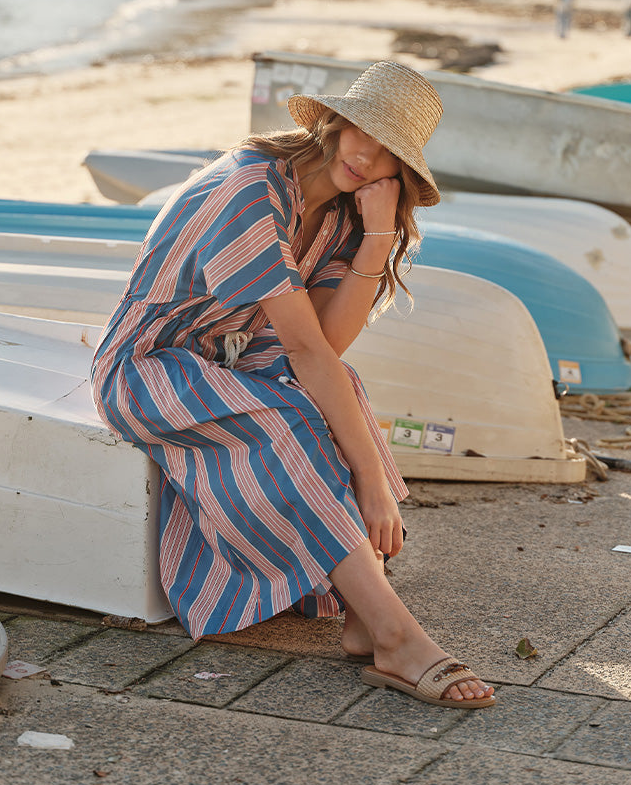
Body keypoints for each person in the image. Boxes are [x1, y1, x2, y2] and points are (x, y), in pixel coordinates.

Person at [91, 61, 496, 709]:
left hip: (230, 363)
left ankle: (366, 618)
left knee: (340, 386)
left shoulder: (339, 216)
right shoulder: (251, 189)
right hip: (148, 367)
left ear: (401, 173)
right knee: (292, 416)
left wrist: (378, 237)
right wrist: (370, 481)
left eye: (390, 152)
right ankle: (395, 634)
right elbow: (305, 351)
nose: (368, 155)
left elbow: (327, 346)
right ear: (334, 121)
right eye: (364, 130)